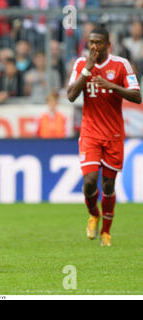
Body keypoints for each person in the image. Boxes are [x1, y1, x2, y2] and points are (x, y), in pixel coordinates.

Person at [67, 25, 141, 247]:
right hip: (89, 133)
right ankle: (94, 214)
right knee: (89, 182)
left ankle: (106, 233)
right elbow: (71, 95)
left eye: (98, 42)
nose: (93, 46)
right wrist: (88, 69)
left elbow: (137, 95)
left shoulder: (121, 65)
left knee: (108, 185)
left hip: (114, 134)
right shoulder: (81, 64)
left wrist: (111, 85)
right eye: (90, 42)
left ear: (109, 45)